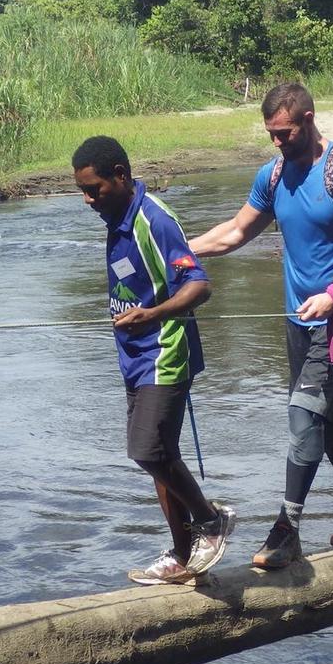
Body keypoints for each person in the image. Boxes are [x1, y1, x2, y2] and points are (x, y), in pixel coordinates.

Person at [190, 83, 333, 569]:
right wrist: (176, 252)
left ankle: (287, 531)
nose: (277, 142)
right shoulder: (273, 174)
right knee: (331, 416)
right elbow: (236, 231)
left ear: (308, 118)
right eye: (271, 135)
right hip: (299, 319)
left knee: (304, 415)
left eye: (284, 133)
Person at [73, 135, 235, 585]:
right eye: (83, 191)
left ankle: (210, 520)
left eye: (95, 189)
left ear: (121, 177)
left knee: (147, 450)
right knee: (161, 458)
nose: (88, 200)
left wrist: (155, 313)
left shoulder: (154, 219)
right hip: (134, 358)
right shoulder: (117, 215)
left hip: (166, 351)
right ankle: (183, 556)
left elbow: (199, 285)